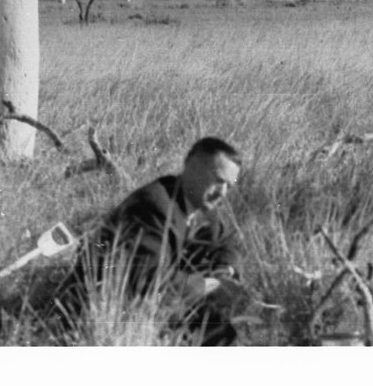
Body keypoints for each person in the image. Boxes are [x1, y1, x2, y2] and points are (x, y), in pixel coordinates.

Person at [67, 135, 246, 344]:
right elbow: (148, 280)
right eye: (218, 181)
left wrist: (227, 269)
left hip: (146, 308)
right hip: (100, 319)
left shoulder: (197, 205)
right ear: (191, 167)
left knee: (224, 328)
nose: (222, 193)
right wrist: (209, 285)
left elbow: (229, 242)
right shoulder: (154, 207)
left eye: (229, 187)